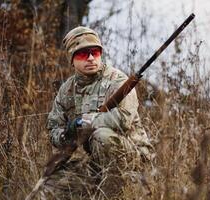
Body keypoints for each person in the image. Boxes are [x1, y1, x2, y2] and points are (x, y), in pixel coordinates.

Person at [45, 26, 152, 199]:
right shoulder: (66, 91)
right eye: (82, 54)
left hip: (133, 158)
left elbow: (123, 119)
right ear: (71, 60)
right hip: (93, 162)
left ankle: (115, 195)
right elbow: (53, 129)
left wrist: (87, 122)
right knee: (53, 183)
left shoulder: (118, 80)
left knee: (101, 136)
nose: (90, 58)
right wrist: (68, 133)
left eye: (95, 52)